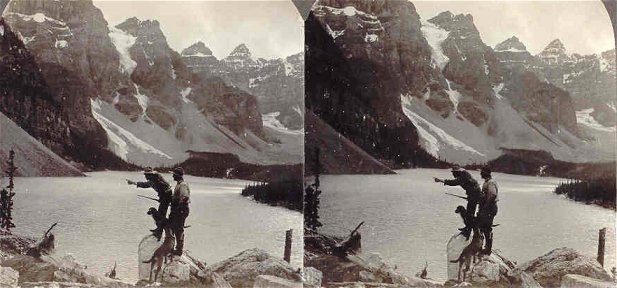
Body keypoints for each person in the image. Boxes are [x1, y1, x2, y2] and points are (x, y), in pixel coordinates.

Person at [434, 165, 483, 237]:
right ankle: (468, 228)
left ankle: (468, 231)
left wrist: (440, 180)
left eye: (453, 172)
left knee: (470, 213)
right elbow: (470, 186)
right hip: (473, 195)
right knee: (470, 213)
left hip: (474, 195)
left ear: (457, 172)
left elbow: (454, 182)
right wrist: (470, 196)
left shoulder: (463, 176)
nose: (453, 174)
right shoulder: (463, 174)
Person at [127, 167, 172, 238]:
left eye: (146, 175)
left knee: (160, 215)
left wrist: (164, 198)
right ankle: (159, 230)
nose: (145, 176)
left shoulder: (155, 179)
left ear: (149, 174)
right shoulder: (154, 179)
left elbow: (164, 188)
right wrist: (134, 183)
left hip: (166, 196)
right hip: (165, 197)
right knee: (160, 214)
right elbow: (146, 185)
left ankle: (160, 231)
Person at [169, 167, 190, 255]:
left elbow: (185, 197)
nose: (173, 176)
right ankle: (173, 247)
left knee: (178, 230)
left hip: (181, 210)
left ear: (177, 175)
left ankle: (179, 250)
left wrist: (178, 207)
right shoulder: (179, 184)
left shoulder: (182, 185)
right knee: (173, 228)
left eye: (174, 174)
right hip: (178, 210)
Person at [478, 166, 498, 255]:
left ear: (486, 173)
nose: (480, 173)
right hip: (488, 208)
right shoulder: (487, 182)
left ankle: (488, 249)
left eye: (482, 172)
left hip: (489, 208)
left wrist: (485, 206)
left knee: (486, 228)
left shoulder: (490, 182)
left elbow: (493, 194)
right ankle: (484, 247)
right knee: (482, 227)